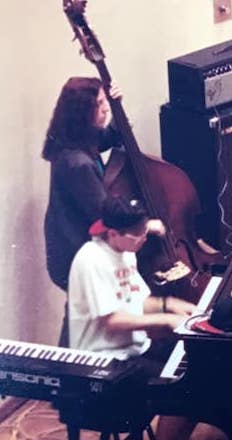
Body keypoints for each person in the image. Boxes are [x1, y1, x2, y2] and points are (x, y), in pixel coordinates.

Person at [67, 195, 212, 440]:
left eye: (145, 232)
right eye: (138, 235)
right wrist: (166, 322)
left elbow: (140, 300)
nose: (143, 240)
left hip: (133, 348)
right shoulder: (90, 260)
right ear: (112, 233)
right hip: (103, 358)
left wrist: (171, 304)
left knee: (204, 370)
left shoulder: (126, 251)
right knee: (179, 385)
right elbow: (112, 320)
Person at [42, 77, 163, 345]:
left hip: (74, 244)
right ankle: (73, 369)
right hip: (73, 251)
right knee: (82, 315)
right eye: (99, 104)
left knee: (79, 315)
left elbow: (114, 136)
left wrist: (118, 106)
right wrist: (146, 225)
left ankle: (72, 365)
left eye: (104, 101)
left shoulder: (78, 139)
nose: (105, 108)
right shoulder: (76, 163)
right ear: (82, 112)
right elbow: (105, 212)